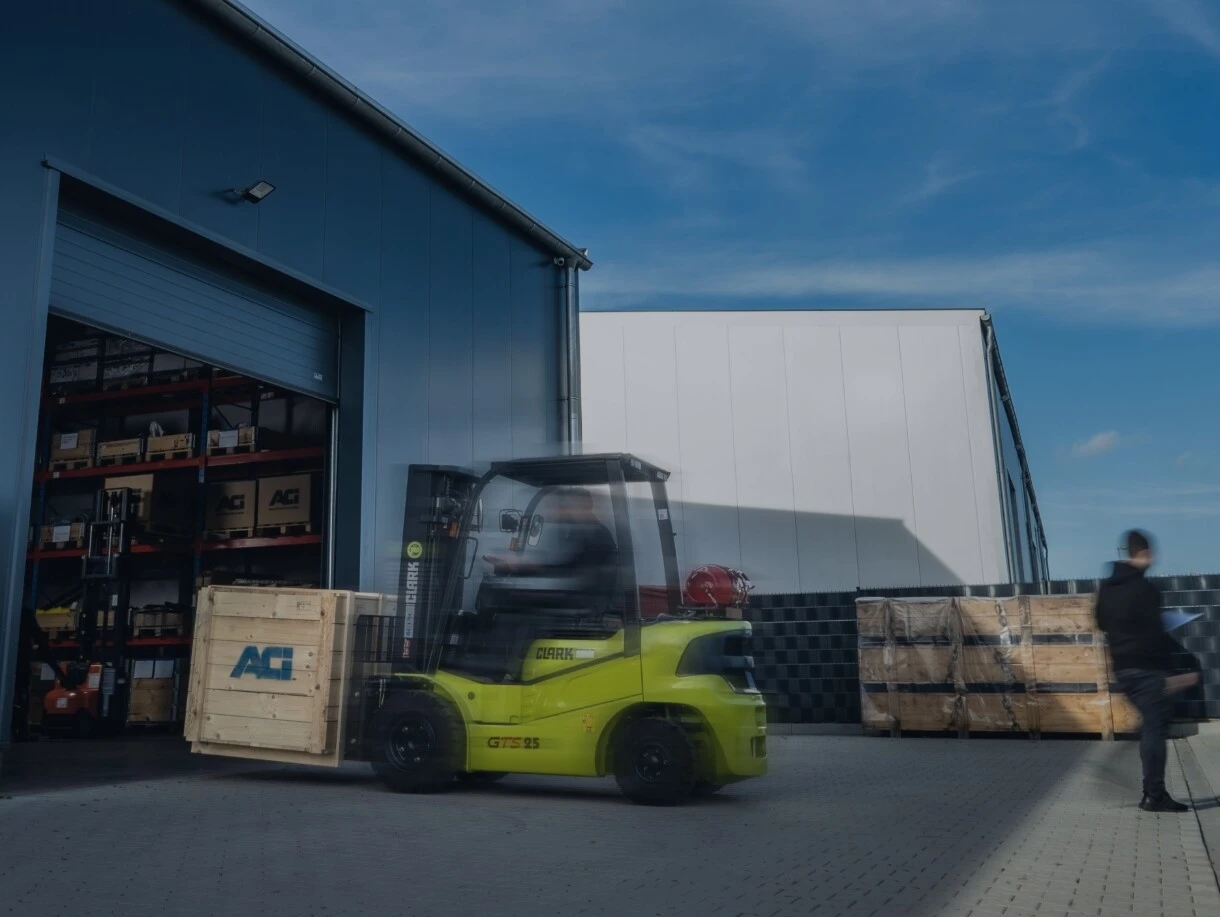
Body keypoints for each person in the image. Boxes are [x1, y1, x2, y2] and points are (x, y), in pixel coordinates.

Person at [1094, 530, 1201, 813]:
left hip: (1122, 669)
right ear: (1145, 553)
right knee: (1156, 728)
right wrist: (1175, 675)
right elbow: (1156, 635)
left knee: (1150, 725)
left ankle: (1146, 777)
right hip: (1148, 669)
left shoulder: (1107, 588)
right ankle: (1154, 795)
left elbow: (1101, 622)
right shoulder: (1146, 590)